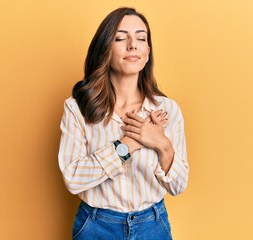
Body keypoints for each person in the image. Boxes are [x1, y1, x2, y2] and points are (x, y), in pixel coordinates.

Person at [58, 7, 189, 240]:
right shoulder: (77, 107)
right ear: (105, 48)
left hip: (153, 226)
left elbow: (177, 186)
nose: (133, 45)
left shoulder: (167, 110)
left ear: (147, 52)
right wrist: (129, 143)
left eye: (141, 38)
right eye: (120, 38)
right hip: (96, 226)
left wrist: (163, 145)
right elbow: (73, 178)